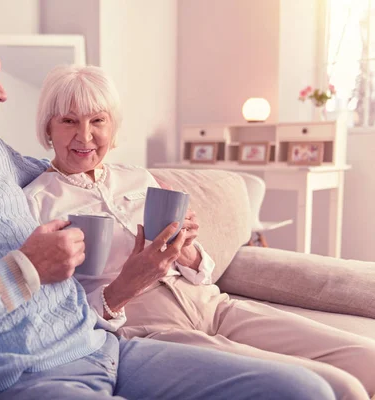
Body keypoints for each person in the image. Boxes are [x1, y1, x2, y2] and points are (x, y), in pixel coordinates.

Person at [0, 4, 336, 400]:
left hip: (108, 347)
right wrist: (22, 270)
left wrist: (142, 211)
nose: (2, 93)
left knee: (305, 391)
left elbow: (71, 168)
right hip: (28, 379)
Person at [24, 64, 375, 400]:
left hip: (211, 304)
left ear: (112, 127)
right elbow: (47, 313)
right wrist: (123, 287)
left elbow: (200, 271)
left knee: (368, 359)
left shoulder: (138, 178)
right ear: (48, 128)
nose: (85, 135)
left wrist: (187, 249)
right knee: (339, 388)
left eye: (97, 120)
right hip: (151, 326)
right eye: (69, 121)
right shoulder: (37, 202)